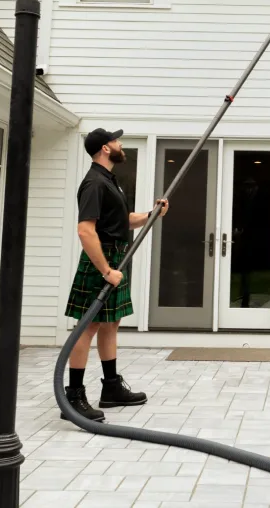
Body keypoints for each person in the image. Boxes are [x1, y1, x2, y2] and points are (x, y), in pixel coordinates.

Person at [61, 128, 169, 422]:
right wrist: (106, 270)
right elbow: (85, 230)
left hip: (116, 255)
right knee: (88, 326)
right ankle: (74, 396)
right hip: (103, 259)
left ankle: (110, 389)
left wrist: (152, 214)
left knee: (110, 323)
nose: (120, 143)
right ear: (106, 149)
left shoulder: (109, 180)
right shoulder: (94, 183)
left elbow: (124, 220)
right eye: (116, 140)